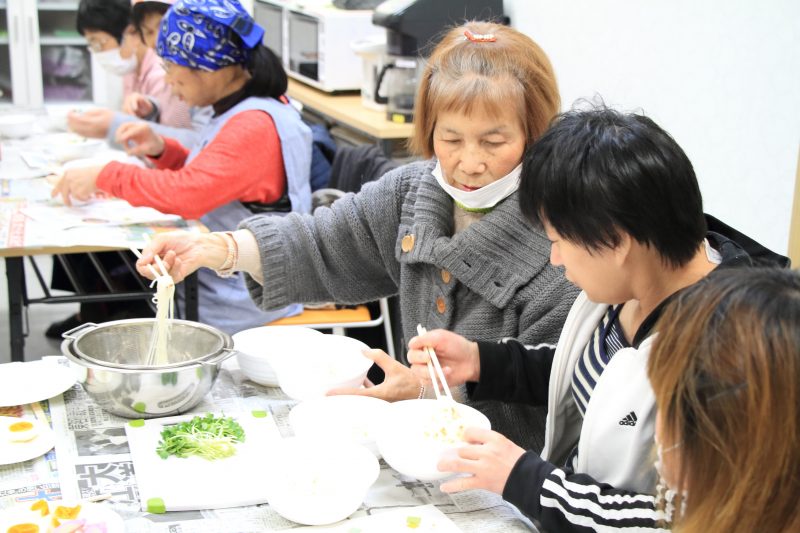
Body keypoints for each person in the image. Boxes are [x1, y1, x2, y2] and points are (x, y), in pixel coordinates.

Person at [135, 21, 580, 449]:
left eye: (493, 142)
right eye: (450, 139)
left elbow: (556, 401)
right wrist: (220, 247)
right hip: (421, 444)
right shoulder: (414, 191)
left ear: (535, 135)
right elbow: (325, 242)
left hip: (513, 474)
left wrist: (430, 396)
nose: (469, 162)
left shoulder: (564, 246)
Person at [406, 108, 790, 531]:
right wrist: (483, 362)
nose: (554, 259)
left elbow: (676, 521)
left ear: (616, 242)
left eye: (558, 241)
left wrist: (527, 480)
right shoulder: (633, 283)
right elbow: (598, 378)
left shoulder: (728, 357)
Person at [52, 0, 313, 335]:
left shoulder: (253, 124)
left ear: (208, 66)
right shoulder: (244, 108)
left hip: (243, 297)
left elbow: (188, 194)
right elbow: (221, 177)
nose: (168, 79)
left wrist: (105, 175)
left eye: (171, 66)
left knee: (112, 278)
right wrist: (164, 150)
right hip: (228, 278)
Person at [68, 0, 192, 142]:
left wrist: (113, 126)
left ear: (132, 32)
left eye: (98, 43)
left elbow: (186, 143)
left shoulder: (165, 73)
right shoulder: (131, 70)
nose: (155, 42)